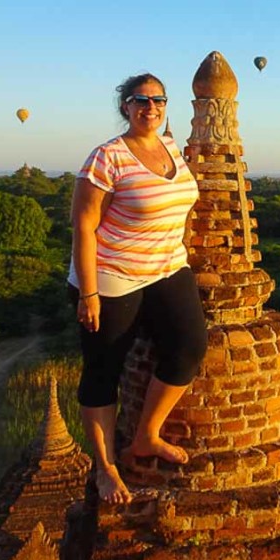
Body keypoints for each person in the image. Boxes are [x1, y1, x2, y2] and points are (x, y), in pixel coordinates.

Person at [68, 72, 207, 504]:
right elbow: (84, 224)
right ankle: (106, 467)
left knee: (189, 347)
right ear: (125, 107)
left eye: (158, 100)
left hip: (167, 267)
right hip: (112, 274)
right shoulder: (106, 157)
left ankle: (147, 435)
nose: (150, 107)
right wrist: (88, 292)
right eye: (140, 100)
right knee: (103, 368)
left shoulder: (170, 146)